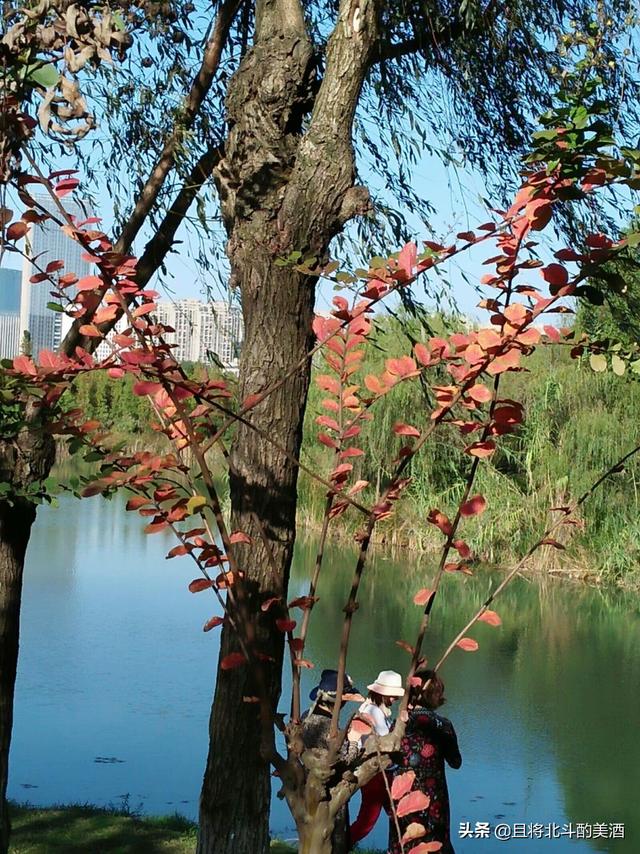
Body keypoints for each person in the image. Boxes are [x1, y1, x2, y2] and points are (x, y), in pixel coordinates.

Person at [388, 668, 461, 854]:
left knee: (404, 837)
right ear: (432, 694)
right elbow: (455, 762)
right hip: (432, 795)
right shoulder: (442, 725)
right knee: (433, 841)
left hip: (403, 792)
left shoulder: (399, 724)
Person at [300, 669, 363, 853]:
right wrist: (354, 740)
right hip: (330, 793)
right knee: (334, 841)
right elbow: (345, 759)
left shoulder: (306, 716)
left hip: (308, 789)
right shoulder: (329, 727)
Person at [349, 670, 405, 847]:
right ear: (382, 693)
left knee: (397, 814)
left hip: (378, 772)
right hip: (376, 775)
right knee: (367, 821)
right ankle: (343, 843)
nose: (394, 699)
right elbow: (384, 743)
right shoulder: (373, 711)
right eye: (392, 695)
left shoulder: (370, 707)